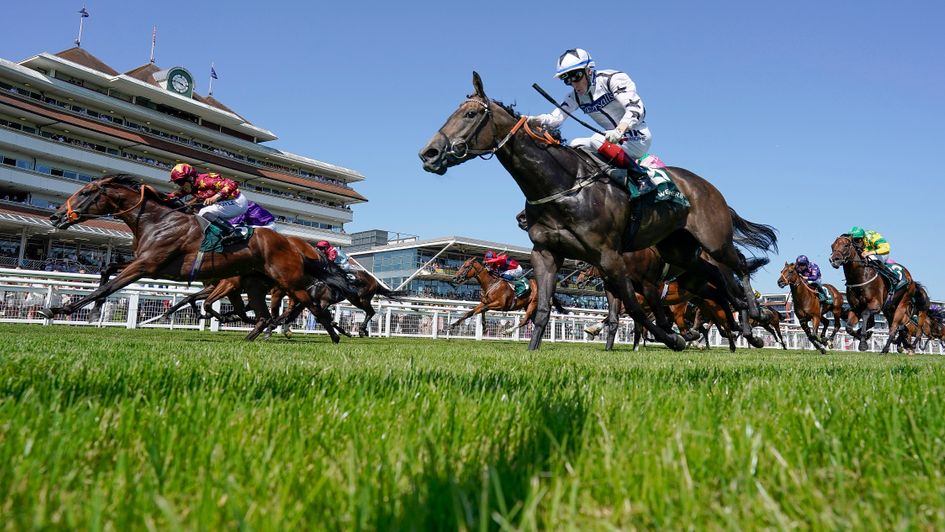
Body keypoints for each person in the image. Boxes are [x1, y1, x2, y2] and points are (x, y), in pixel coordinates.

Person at [530, 48, 661, 192]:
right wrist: (529, 120)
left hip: (637, 137)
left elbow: (637, 109)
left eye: (576, 76)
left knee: (596, 139)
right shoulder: (574, 97)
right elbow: (555, 119)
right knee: (575, 145)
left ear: (589, 71)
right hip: (611, 141)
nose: (573, 84)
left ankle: (641, 177)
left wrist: (619, 130)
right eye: (566, 79)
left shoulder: (612, 79)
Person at [167, 163, 248, 245]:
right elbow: (172, 196)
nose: (179, 185)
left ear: (190, 178)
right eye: (176, 183)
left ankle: (233, 232)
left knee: (203, 212)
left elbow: (233, 184)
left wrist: (215, 197)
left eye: (180, 182)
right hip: (228, 204)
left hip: (237, 201)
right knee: (200, 215)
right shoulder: (190, 187)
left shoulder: (207, 180)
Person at [848, 226, 906, 290]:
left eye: (858, 240)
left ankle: (893, 278)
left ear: (863, 237)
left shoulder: (873, 237)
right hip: (866, 253)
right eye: (853, 240)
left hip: (881, 253)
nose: (856, 243)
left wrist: (870, 253)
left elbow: (886, 248)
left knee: (870, 257)